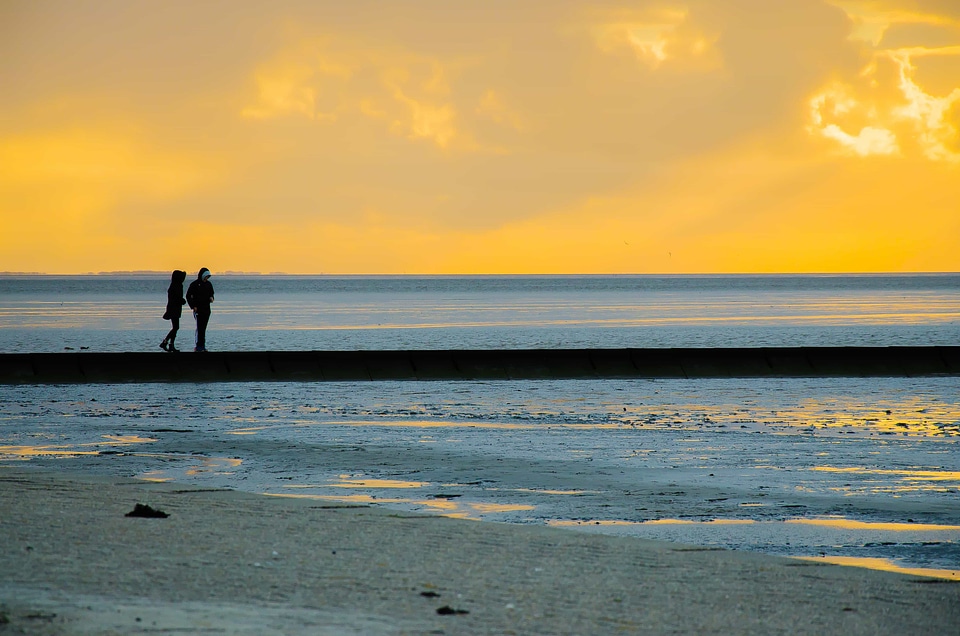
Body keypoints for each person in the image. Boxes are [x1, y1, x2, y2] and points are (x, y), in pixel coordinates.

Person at [186, 267, 215, 352]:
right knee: (199, 328)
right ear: (202, 275)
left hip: (206, 309)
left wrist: (211, 298)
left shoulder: (209, 284)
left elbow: (211, 294)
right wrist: (193, 306)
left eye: (208, 277)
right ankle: (198, 346)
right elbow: (188, 296)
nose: (206, 278)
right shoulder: (194, 284)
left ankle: (202, 346)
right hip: (198, 309)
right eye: (205, 276)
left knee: (203, 328)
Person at [159, 270, 187, 352]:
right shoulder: (176, 286)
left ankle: (170, 344)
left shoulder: (174, 285)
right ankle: (166, 342)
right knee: (176, 327)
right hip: (174, 309)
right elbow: (176, 298)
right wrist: (182, 301)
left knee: (175, 327)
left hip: (174, 308)